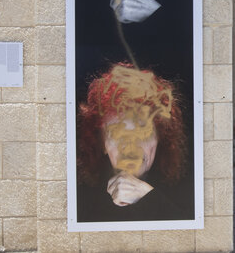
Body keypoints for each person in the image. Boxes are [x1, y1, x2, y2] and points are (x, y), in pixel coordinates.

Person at [75, 63, 193, 222]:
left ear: (159, 139)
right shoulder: (80, 205)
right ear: (102, 144)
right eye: (118, 135)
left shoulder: (190, 194)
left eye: (142, 133)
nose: (131, 147)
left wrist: (148, 198)